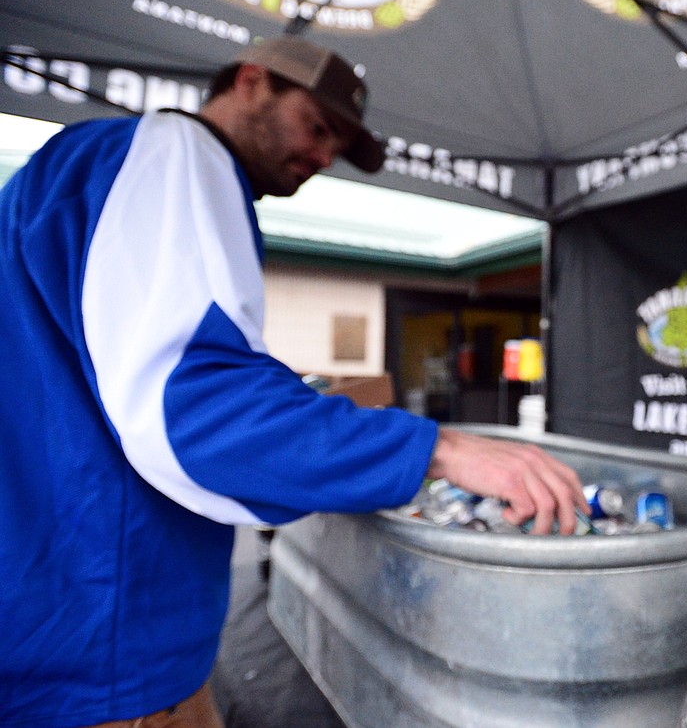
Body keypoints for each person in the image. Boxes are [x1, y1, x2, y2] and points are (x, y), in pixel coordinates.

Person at [0, 36, 588, 728]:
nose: (322, 156)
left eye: (336, 146)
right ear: (252, 82)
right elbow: (195, 411)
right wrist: (442, 450)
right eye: (316, 126)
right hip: (107, 655)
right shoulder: (176, 155)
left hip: (51, 623)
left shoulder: (85, 168)